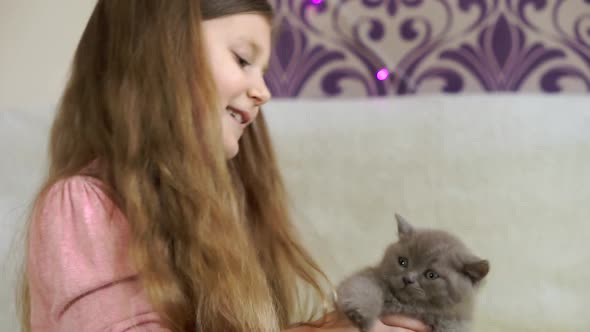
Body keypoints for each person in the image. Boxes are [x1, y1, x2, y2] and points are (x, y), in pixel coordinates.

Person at [17, 1, 430, 331]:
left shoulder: (204, 223)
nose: (263, 91)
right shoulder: (81, 208)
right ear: (161, 50)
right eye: (242, 59)